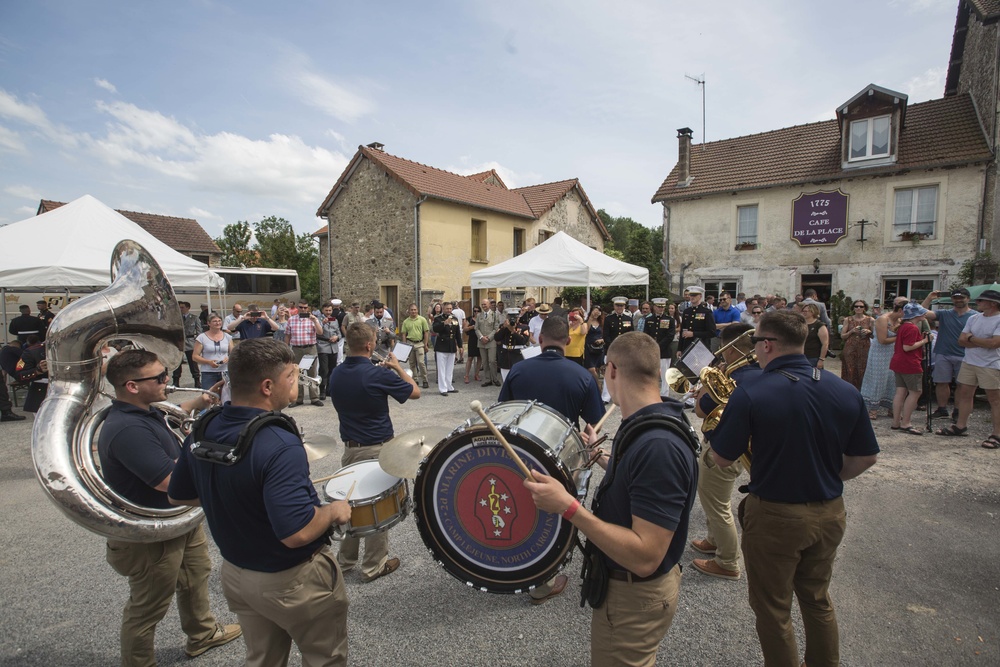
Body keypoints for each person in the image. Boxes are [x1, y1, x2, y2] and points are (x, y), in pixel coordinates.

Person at [710, 310, 879, 666]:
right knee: (817, 599)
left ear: (767, 344)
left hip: (775, 513)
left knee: (773, 607)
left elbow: (722, 458)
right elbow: (866, 458)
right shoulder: (844, 390)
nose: (754, 350)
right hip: (831, 509)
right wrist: (824, 476)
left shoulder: (751, 390)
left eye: (755, 343)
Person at [168, 338, 351, 666]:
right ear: (268, 386)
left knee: (262, 659)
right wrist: (333, 511)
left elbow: (178, 494)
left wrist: (233, 495)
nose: (295, 383)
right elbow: (296, 533)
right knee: (326, 658)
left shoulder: (204, 426)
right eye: (291, 377)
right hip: (290, 579)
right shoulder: (281, 443)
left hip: (237, 574)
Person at [523, 332, 698, 665]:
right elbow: (639, 480)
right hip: (631, 592)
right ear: (656, 374)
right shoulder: (654, 420)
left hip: (635, 596)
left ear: (612, 370)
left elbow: (646, 555)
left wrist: (568, 507)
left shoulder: (658, 446)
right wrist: (604, 457)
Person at [98, 349, 240, 665]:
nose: (168, 381)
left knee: (195, 575)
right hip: (152, 532)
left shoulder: (143, 410)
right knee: (149, 604)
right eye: (160, 377)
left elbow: (170, 411)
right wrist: (205, 451)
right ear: (132, 386)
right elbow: (168, 481)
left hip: (177, 519)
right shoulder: (128, 429)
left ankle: (202, 634)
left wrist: (198, 405)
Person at [328, 323, 419, 580]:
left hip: (350, 449)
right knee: (377, 507)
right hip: (376, 448)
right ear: (370, 345)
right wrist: (397, 368)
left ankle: (344, 562)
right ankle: (374, 565)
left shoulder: (336, 373)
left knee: (350, 505)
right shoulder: (378, 374)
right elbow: (415, 392)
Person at [690, 323, 760, 581]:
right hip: (736, 448)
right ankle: (713, 540)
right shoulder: (758, 371)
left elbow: (700, 409)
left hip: (722, 448)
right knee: (714, 498)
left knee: (717, 504)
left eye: (723, 348)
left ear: (731, 350)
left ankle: (728, 560)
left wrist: (703, 387)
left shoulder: (734, 376)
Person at [936, 289, 1000, 447]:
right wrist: (981, 341)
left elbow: (994, 344)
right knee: (965, 394)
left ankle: (997, 434)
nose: (977, 303)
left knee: (995, 399)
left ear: (993, 303)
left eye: (981, 301)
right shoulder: (974, 318)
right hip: (970, 361)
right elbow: (961, 340)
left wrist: (972, 338)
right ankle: (960, 426)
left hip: (991, 364)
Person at [922, 288, 974, 421]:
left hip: (965, 354)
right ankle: (942, 408)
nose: (959, 300)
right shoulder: (944, 313)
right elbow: (921, 313)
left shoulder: (975, 316)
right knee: (941, 382)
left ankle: (957, 410)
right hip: (943, 353)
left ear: (968, 299)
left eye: (961, 298)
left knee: (962, 384)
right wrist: (929, 297)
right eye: (956, 298)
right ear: (952, 299)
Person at [861, 297, 906, 420]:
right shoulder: (883, 319)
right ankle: (873, 408)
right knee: (878, 379)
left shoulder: (900, 320)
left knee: (893, 379)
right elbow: (882, 340)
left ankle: (892, 408)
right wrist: (901, 338)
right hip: (879, 353)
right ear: (901, 310)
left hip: (894, 353)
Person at [890, 303, 929, 435]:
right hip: (910, 363)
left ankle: (896, 422)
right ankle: (906, 422)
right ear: (916, 315)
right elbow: (908, 347)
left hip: (898, 362)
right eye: (922, 312)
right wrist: (925, 341)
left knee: (900, 392)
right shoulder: (912, 328)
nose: (924, 314)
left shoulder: (903, 326)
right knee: (915, 392)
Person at [284, 300, 324, 407]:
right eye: (301, 307)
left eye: (305, 308)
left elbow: (320, 332)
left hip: (310, 348)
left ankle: (314, 397)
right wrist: (286, 349)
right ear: (298, 308)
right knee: (297, 373)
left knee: (312, 373)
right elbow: (287, 335)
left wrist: (315, 321)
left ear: (308, 308)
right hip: (296, 349)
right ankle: (298, 398)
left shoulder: (313, 319)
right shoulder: (291, 320)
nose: (303, 309)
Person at [601, 296, 635, 402]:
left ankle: (622, 395)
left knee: (624, 373)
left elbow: (631, 335)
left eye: (621, 306)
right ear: (614, 306)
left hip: (624, 351)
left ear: (625, 306)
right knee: (608, 373)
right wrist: (613, 347)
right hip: (611, 350)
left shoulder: (628, 319)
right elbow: (606, 335)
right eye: (617, 305)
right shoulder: (609, 319)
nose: (619, 308)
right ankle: (606, 397)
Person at [840, 300, 875, 391]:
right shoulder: (848, 319)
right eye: (856, 306)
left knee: (863, 370)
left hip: (865, 348)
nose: (858, 308)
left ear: (864, 308)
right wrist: (851, 331)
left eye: (861, 306)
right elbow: (842, 336)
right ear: (853, 308)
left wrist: (869, 331)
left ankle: (863, 392)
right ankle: (849, 391)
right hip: (850, 348)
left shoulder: (870, 319)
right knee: (850, 369)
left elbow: (876, 336)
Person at [192, 314, 233, 390]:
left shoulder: (227, 337)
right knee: (208, 396)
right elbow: (195, 357)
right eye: (214, 321)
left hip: (225, 371)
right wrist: (208, 362)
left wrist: (228, 358)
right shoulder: (202, 337)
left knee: (226, 397)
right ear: (209, 323)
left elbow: (233, 354)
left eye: (219, 321)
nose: (218, 323)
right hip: (208, 372)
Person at [433, 302, 463, 395]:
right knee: (442, 369)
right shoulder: (438, 318)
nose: (449, 310)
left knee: (450, 368)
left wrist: (460, 346)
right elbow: (435, 329)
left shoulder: (454, 318)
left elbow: (457, 333)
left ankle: (449, 386)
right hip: (441, 346)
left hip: (451, 346)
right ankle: (443, 388)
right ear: (443, 308)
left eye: (450, 308)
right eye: (447, 308)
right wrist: (444, 324)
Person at [678, 286, 715, 358]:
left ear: (700, 296)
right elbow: (682, 330)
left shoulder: (706, 312)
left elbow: (712, 332)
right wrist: (679, 349)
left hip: (701, 346)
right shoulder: (687, 311)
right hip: (687, 346)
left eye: (694, 295)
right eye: (691, 295)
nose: (692, 297)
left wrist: (693, 334)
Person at [400, 303, 430, 389]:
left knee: (421, 362)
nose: (413, 311)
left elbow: (426, 332)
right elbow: (404, 334)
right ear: (409, 311)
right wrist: (404, 346)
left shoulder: (422, 319)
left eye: (415, 310)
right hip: (410, 343)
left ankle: (425, 380)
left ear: (417, 310)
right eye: (412, 310)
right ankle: (415, 379)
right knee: (412, 363)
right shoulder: (406, 322)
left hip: (420, 343)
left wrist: (426, 344)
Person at [495, 307, 529, 382]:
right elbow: (497, 338)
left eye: (515, 317)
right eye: (510, 317)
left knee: (518, 381)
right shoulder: (503, 327)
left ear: (518, 317)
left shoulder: (524, 327)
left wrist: (513, 331)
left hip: (517, 356)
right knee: (506, 381)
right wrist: (504, 327)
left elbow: (523, 341)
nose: (512, 319)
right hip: (505, 356)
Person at [317, 303, 342, 401]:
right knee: (324, 369)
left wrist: (337, 337)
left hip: (333, 347)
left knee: (332, 369)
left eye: (330, 310)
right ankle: (322, 390)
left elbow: (339, 332)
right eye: (326, 310)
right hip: (323, 345)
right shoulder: (318, 319)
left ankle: (329, 389)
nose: (328, 312)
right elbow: (317, 332)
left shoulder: (334, 320)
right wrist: (322, 324)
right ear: (322, 310)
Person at [476, 298, 502, 386]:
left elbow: (496, 328)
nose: (484, 306)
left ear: (489, 305)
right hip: (481, 341)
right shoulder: (479, 315)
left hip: (491, 341)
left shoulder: (494, 315)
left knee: (492, 361)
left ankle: (495, 378)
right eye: (482, 304)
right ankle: (488, 379)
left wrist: (488, 338)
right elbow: (476, 328)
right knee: (485, 361)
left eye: (485, 304)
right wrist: (481, 337)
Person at [802, 303, 829, 368]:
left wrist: (821, 359)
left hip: (813, 357)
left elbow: (825, 344)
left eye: (806, 311)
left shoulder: (819, 325)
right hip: (801, 356)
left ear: (813, 312)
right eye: (803, 311)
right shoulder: (801, 324)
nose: (804, 313)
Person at [583, 306, 605, 386]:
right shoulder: (588, 321)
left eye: (598, 311)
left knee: (599, 368)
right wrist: (591, 317)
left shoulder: (602, 322)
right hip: (589, 347)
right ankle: (598, 386)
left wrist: (602, 340)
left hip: (599, 348)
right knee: (591, 368)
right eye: (594, 310)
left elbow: (605, 335)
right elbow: (586, 331)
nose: (596, 312)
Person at [464, 305, 482, 383]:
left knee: (479, 357)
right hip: (472, 339)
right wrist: (471, 327)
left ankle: (477, 374)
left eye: (478, 311)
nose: (476, 312)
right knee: (470, 358)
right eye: (475, 311)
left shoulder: (482, 319)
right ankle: (466, 375)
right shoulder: (469, 319)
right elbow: (464, 328)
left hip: (480, 339)